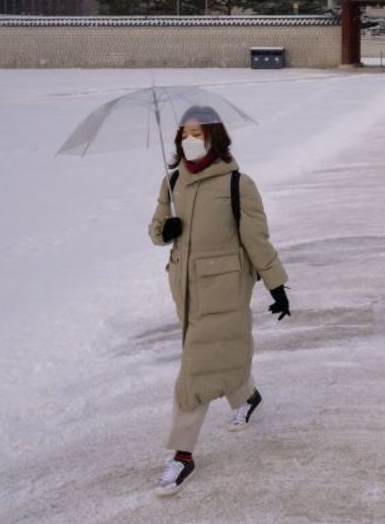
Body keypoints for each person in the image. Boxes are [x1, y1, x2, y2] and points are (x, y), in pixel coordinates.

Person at [147, 105, 290, 497]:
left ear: (214, 137)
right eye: (184, 134)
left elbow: (255, 240)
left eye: (198, 134)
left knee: (194, 372)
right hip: (185, 288)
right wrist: (166, 230)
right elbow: (155, 231)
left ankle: (182, 455)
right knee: (218, 354)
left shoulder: (237, 184)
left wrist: (276, 284)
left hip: (225, 288)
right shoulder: (171, 181)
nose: (189, 141)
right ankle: (247, 395)